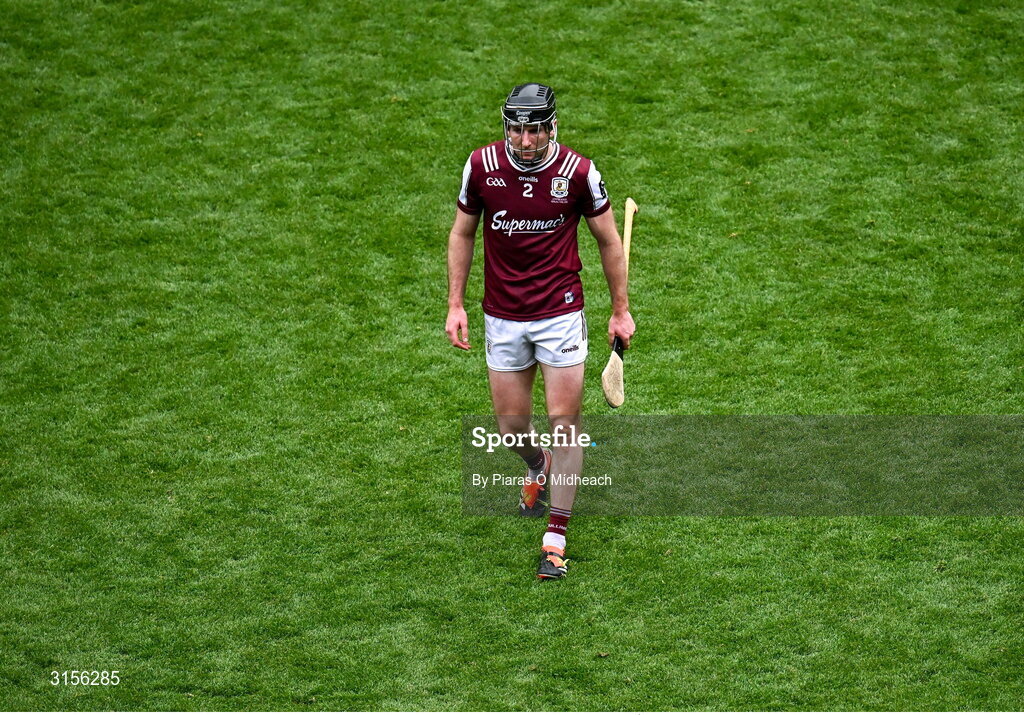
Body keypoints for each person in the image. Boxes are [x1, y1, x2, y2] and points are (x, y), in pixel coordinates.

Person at [445, 83, 635, 580]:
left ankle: (556, 536)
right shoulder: (481, 166)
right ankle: (537, 466)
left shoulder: (578, 173)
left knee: (565, 422)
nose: (525, 141)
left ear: (553, 127)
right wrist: (455, 302)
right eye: (516, 129)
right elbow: (463, 232)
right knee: (510, 430)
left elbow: (609, 241)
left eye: (535, 130)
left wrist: (620, 309)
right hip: (503, 315)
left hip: (560, 313)